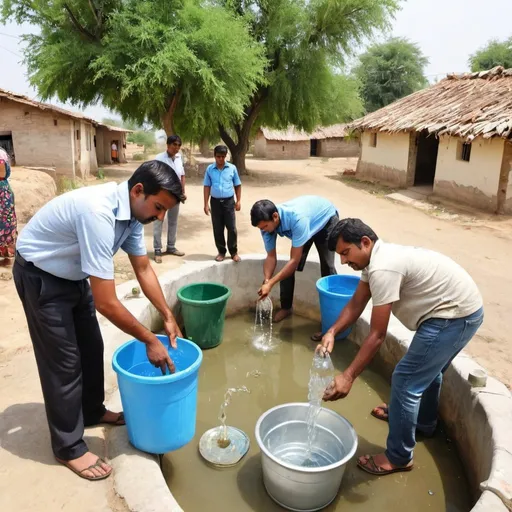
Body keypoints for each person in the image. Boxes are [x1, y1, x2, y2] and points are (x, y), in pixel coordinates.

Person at [13, 160, 185, 481]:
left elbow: (144, 269)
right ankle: (68, 447)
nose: (159, 217)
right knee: (63, 362)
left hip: (73, 275)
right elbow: (107, 302)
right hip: (40, 275)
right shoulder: (98, 212)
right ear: (138, 191)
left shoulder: (133, 215)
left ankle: (91, 411)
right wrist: (149, 339)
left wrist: (168, 315)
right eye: (159, 207)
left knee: (92, 347)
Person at [318, 218, 484, 476]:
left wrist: (348, 376)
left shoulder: (383, 268)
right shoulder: (373, 259)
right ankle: (423, 423)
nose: (342, 262)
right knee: (428, 372)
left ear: (364, 242)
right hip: (458, 309)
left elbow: (377, 335)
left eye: (345, 253)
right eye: (339, 255)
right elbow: (356, 304)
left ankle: (398, 457)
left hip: (454, 315)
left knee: (406, 380)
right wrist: (331, 331)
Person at [250, 196, 338, 324]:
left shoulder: (297, 219)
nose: (263, 230)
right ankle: (286, 308)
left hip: (325, 220)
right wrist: (267, 280)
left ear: (275, 216)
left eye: (264, 227)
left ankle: (333, 318)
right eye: (260, 228)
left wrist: (271, 284)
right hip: (307, 224)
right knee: (288, 271)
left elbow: (294, 261)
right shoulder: (266, 227)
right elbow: (271, 256)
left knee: (327, 268)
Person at [203, 145, 242, 262]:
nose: (220, 159)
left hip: (229, 202)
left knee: (231, 227)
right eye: (218, 156)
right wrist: (205, 204)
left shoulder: (232, 168)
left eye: (223, 157)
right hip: (215, 202)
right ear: (214, 156)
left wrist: (239, 200)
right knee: (217, 228)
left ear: (226, 156)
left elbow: (237, 185)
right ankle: (221, 251)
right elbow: (206, 186)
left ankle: (233, 252)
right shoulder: (210, 169)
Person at [153, 135, 186, 262]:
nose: (177, 148)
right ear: (168, 145)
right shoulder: (159, 158)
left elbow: (182, 175)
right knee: (158, 221)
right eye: (174, 145)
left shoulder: (179, 158)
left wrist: (183, 191)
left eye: (178, 145)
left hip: (175, 195)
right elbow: (154, 176)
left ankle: (171, 247)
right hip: (162, 195)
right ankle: (157, 250)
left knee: (173, 221)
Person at [0, 148, 17, 266]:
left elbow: (1, 174)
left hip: (1, 193)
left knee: (4, 223)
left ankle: (6, 258)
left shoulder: (0, 154)